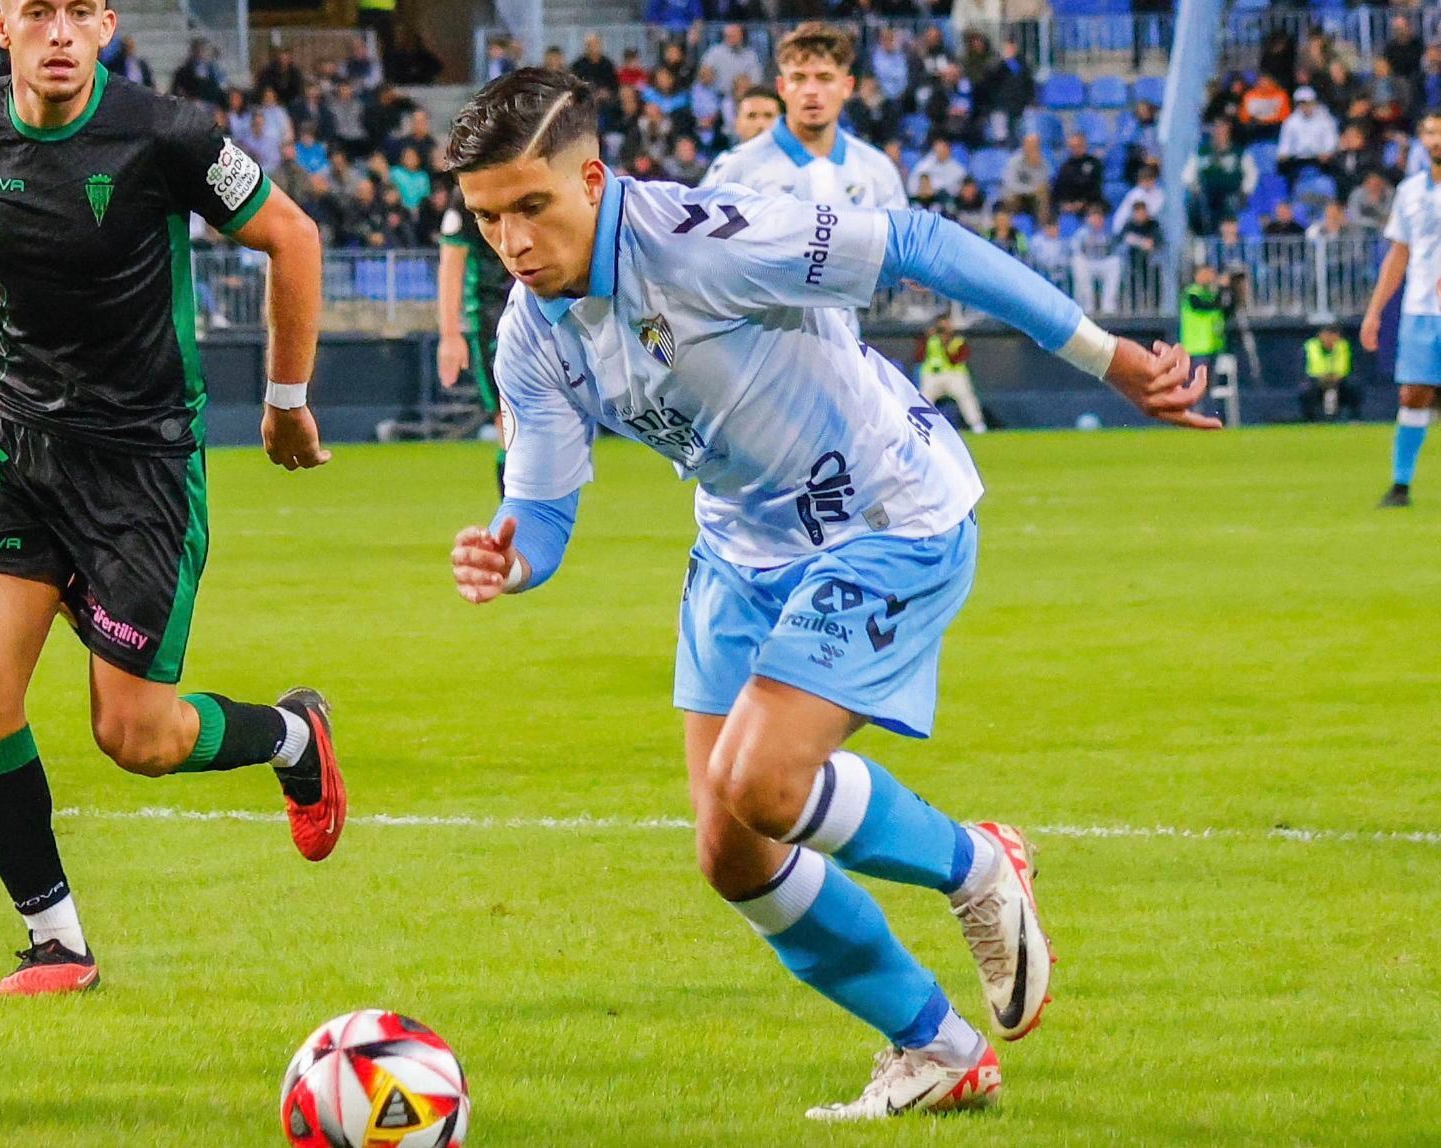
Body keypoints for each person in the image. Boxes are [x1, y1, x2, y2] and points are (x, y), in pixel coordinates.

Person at [443, 68, 1214, 1124]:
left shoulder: (704, 238)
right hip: (738, 551)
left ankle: (977, 863)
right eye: (489, 220)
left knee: (762, 780)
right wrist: (512, 556)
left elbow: (920, 244)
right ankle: (937, 1047)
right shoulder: (530, 334)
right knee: (731, 847)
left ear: (592, 174)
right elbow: (543, 509)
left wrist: (1108, 355)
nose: (514, 243)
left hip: (884, 517)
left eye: (532, 207)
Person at [0, 0, 348, 998]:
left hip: (140, 461)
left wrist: (287, 404)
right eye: (37, 14)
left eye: (78, 14)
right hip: (19, 448)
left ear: (107, 25)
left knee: (136, 734)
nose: (59, 34)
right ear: (1, 27)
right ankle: (57, 942)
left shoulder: (169, 136)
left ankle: (294, 735)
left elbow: (293, 237)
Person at [702, 24, 905, 341]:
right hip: (754, 354)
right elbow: (700, 258)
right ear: (782, 87)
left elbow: (899, 260)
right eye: (799, 78)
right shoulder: (735, 168)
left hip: (844, 353)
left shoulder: (876, 169)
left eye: (824, 78)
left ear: (847, 86)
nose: (811, 90)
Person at [1362, 110, 1441, 507]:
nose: (1435, 140)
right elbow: (1399, 254)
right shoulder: (1410, 191)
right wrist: (1375, 311)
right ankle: (1401, 485)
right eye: (1429, 133)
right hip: (1421, 310)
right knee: (1413, 394)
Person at [437, 184, 517, 495]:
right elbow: (452, 263)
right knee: (510, 426)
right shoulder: (468, 194)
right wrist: (450, 335)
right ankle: (516, 529)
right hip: (492, 319)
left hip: (542, 308)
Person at [915, 314, 987, 434]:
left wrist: (946, 343)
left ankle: (977, 424)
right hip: (932, 375)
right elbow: (918, 356)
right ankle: (920, 425)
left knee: (965, 396)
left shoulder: (957, 340)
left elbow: (956, 359)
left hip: (953, 374)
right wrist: (927, 337)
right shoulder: (930, 339)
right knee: (924, 399)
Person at [1178, 263, 1228, 395]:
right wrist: (1220, 288)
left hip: (1213, 346)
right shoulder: (1192, 293)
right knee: (1196, 386)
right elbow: (1204, 306)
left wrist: (1225, 289)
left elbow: (1225, 309)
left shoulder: (1211, 293)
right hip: (1197, 348)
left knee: (1212, 388)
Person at [1300, 325, 1362, 421]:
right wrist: (1323, 376)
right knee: (1306, 389)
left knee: (1354, 386)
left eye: (1333, 335)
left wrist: (1336, 376)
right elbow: (1311, 368)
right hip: (1317, 381)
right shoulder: (1311, 346)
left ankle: (1354, 418)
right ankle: (1309, 420)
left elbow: (1344, 366)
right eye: (1327, 335)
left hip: (1339, 381)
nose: (1330, 339)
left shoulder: (1342, 345)